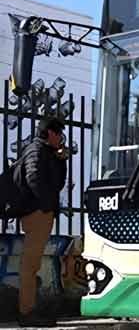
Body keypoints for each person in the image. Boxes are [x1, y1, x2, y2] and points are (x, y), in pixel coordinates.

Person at [14, 118, 67, 327]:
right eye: (59, 133)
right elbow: (33, 177)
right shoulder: (35, 149)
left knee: (32, 264)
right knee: (30, 265)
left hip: (41, 213)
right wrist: (45, 206)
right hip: (36, 214)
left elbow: (58, 184)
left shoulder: (47, 152)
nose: (61, 137)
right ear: (50, 133)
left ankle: (29, 310)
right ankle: (26, 312)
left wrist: (61, 160)